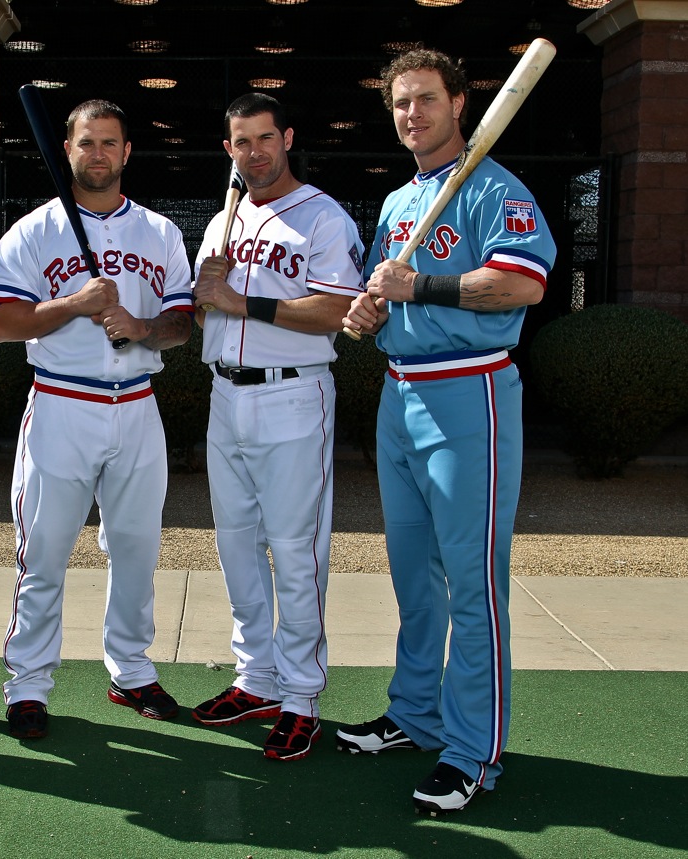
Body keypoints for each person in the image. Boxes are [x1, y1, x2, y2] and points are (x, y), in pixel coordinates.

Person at [339, 49, 557, 814]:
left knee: (472, 584)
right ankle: (415, 714)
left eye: (425, 100)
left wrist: (419, 285)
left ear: (459, 103)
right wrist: (370, 307)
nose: (411, 114)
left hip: (470, 394)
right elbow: (384, 286)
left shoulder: (494, 188)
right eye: (400, 102)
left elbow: (522, 282)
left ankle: (472, 752)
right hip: (398, 397)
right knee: (412, 576)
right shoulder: (402, 200)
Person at [0, 99, 193, 740]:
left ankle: (130, 670)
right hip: (61, 403)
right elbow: (0, 323)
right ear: (67, 151)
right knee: (43, 552)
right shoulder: (33, 231)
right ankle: (28, 685)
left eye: (109, 143)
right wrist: (72, 305)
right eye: (85, 143)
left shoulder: (158, 233)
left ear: (127, 152)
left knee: (135, 549)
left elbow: (182, 323)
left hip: (135, 405)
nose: (97, 154)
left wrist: (143, 328)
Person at [191, 93, 365, 761]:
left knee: (295, 552)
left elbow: (336, 312)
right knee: (237, 547)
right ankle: (255, 677)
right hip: (224, 397)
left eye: (264, 138)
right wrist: (206, 297)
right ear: (228, 148)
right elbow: (207, 317)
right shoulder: (220, 222)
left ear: (286, 137)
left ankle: (300, 696)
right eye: (241, 141)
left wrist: (240, 299)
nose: (253, 152)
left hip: (293, 396)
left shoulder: (321, 215)